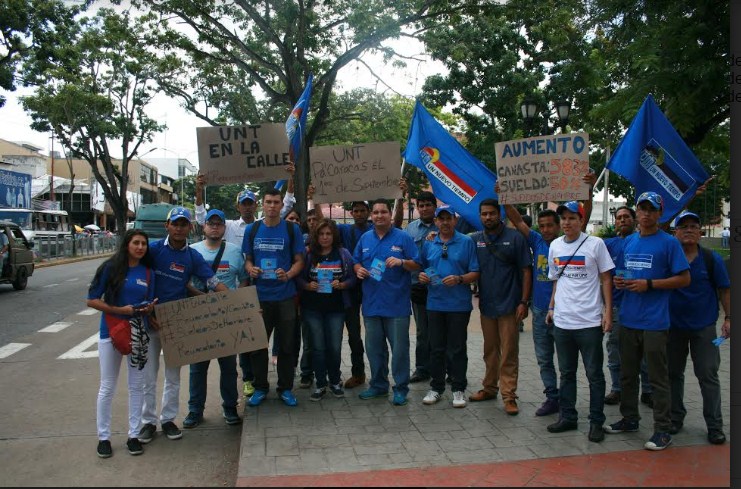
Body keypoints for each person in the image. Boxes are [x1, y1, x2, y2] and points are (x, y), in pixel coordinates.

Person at [501, 174, 594, 417]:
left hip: (565, 313)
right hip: (541, 311)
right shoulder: (537, 241)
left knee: (566, 363)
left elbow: (586, 213)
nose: (545, 230)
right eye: (541, 226)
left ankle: (566, 400)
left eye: (550, 225)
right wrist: (505, 198)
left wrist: (588, 188)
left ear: (560, 224)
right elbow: (517, 221)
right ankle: (551, 397)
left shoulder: (570, 243)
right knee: (544, 359)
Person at [604, 192, 690, 451]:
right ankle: (630, 418)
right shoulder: (629, 242)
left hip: (655, 321)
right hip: (628, 318)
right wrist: (622, 282)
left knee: (657, 377)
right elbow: (623, 273)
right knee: (628, 374)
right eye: (641, 209)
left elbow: (684, 279)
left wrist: (650, 284)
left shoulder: (669, 243)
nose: (645, 214)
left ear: (659, 213)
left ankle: (663, 429)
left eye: (651, 209)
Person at [139, 207, 228, 444]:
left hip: (175, 322)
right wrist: (146, 310)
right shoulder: (153, 250)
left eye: (183, 224)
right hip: (149, 320)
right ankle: (147, 422)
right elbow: (138, 279)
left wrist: (239, 303)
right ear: (167, 226)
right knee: (148, 376)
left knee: (173, 376)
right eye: (175, 224)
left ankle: (168, 419)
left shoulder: (192, 257)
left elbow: (213, 281)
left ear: (190, 228)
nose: (179, 228)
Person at [544, 201, 614, 442]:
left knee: (594, 374)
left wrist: (608, 313)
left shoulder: (596, 244)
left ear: (582, 220)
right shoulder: (554, 245)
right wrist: (552, 307)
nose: (567, 222)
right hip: (563, 322)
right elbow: (556, 280)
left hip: (589, 321)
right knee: (567, 373)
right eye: (563, 218)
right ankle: (568, 417)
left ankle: (596, 421)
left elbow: (606, 279)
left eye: (572, 218)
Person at [87, 230, 157, 458]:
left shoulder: (148, 272)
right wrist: (118, 311)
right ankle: (103, 438)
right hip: (111, 332)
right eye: (135, 243)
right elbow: (92, 300)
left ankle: (133, 435)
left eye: (143, 244)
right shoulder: (110, 268)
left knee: (137, 385)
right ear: (127, 244)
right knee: (107, 385)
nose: (140, 247)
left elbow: (150, 302)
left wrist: (148, 310)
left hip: (138, 333)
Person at [668, 211, 730, 445]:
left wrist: (729, 318)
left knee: (708, 375)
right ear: (675, 232)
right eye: (683, 226)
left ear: (701, 232)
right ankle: (675, 418)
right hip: (673, 327)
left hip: (704, 329)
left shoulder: (711, 259)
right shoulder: (670, 258)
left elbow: (725, 289)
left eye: (694, 226)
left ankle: (714, 425)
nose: (689, 230)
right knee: (673, 374)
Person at [183, 209, 248, 429]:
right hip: (199, 318)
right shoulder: (191, 251)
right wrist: (203, 299)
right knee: (197, 368)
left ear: (224, 228)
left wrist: (241, 304)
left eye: (219, 224)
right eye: (211, 223)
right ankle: (195, 410)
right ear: (204, 226)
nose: (215, 227)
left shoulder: (235, 252)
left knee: (229, 367)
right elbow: (185, 283)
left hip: (227, 319)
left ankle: (230, 408)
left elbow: (244, 280)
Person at [242, 188, 305, 407]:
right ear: (262, 204)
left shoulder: (291, 229)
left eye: (276, 202)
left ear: (281, 205)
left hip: (285, 296)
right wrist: (251, 270)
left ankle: (285, 388)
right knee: (258, 345)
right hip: (259, 297)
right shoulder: (253, 229)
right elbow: (247, 260)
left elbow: (299, 261)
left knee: (287, 346)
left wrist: (287, 274)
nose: (271, 206)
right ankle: (260, 388)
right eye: (268, 202)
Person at [353, 199, 420, 406]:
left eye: (383, 212)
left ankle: (400, 388)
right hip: (371, 305)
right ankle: (378, 386)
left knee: (399, 350)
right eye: (375, 212)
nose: (379, 215)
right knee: (374, 349)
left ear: (390, 214)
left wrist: (401, 262)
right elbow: (355, 261)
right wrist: (358, 269)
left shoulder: (403, 237)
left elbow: (417, 264)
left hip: (397, 306)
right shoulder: (365, 238)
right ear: (371, 216)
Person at [468, 199, 532, 415]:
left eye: (492, 213)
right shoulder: (476, 240)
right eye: (484, 214)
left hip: (511, 305)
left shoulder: (516, 238)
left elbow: (526, 271)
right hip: (487, 306)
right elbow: (455, 243)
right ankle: (489, 388)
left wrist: (524, 302)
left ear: (500, 215)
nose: (488, 217)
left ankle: (509, 396)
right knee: (490, 351)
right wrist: (433, 237)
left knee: (509, 353)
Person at [417, 206, 480, 408]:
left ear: (454, 220)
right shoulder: (429, 243)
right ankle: (436, 387)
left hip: (459, 305)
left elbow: (475, 272)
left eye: (448, 218)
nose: (444, 222)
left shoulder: (466, 241)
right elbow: (422, 268)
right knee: (435, 348)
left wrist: (461, 279)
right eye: (440, 219)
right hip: (435, 304)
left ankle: (458, 388)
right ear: (435, 221)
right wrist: (423, 277)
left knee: (457, 348)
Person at [295, 219, 357, 401]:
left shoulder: (343, 254)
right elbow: (297, 278)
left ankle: (335, 381)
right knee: (318, 347)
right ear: (316, 236)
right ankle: (320, 383)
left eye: (328, 234)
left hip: (336, 309)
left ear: (334, 235)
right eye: (321, 234)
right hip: (312, 308)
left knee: (334, 347)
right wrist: (307, 286)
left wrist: (343, 284)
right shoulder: (308, 254)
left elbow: (353, 279)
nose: (325, 237)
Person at [603, 206, 653, 407]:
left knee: (644, 352)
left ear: (635, 220)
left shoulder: (643, 241)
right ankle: (617, 389)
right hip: (616, 307)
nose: (622, 220)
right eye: (618, 218)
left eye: (626, 217)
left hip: (641, 306)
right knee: (614, 349)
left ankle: (648, 390)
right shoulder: (608, 245)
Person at [318, 200, 372, 389]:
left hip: (373, 288)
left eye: (362, 210)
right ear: (351, 213)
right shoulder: (345, 230)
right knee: (350, 334)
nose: (359, 213)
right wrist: (317, 200)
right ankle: (342, 374)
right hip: (348, 293)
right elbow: (322, 223)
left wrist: (399, 198)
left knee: (368, 334)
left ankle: (364, 373)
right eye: (355, 210)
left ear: (368, 212)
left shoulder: (374, 228)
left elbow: (396, 222)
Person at [397, 185, 438, 384]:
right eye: (420, 205)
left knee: (440, 329)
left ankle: (443, 369)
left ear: (434, 207)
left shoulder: (444, 225)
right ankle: (422, 369)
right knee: (422, 330)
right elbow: (404, 253)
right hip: (417, 285)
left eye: (428, 205)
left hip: (440, 286)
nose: (424, 209)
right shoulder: (410, 229)